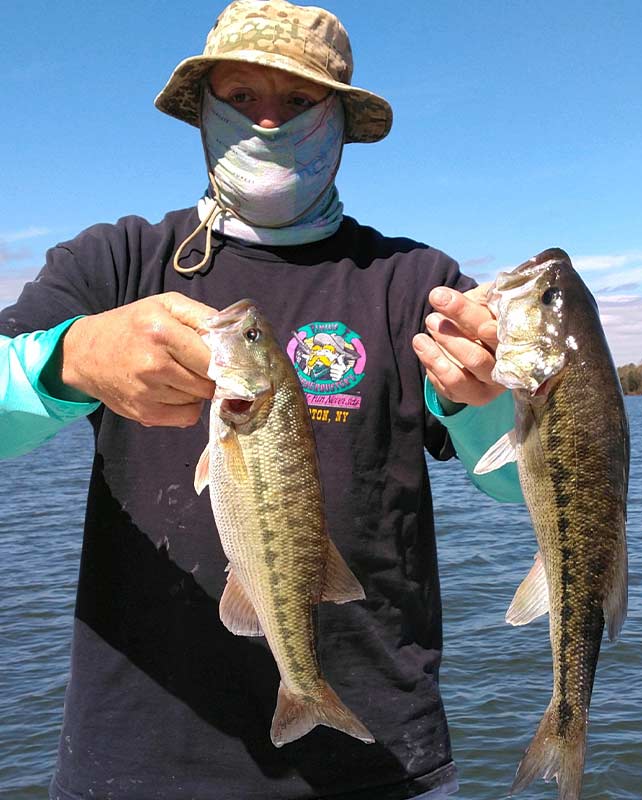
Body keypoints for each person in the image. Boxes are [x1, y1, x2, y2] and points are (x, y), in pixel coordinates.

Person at [0, 2, 522, 798]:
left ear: (341, 121)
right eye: (240, 97)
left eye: (298, 101)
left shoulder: (416, 284)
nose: (267, 120)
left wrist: (491, 398)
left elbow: (519, 480)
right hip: (134, 767)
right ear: (201, 113)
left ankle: (305, 687)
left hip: (379, 763)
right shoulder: (116, 261)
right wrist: (68, 359)